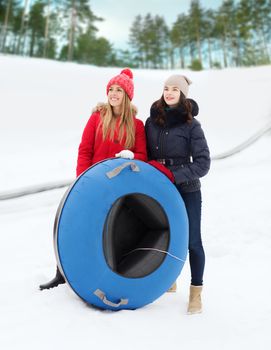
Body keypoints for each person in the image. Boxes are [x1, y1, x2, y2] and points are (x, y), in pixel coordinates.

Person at [39, 68, 147, 290]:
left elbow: (143, 157)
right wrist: (82, 180)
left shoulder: (136, 125)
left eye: (119, 90)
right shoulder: (97, 117)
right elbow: (85, 150)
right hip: (91, 184)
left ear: (127, 95)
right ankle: (61, 272)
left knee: (108, 230)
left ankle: (102, 275)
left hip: (118, 189)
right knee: (71, 225)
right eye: (111, 89)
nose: (113, 93)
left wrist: (131, 155)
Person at [145, 74, 210, 314]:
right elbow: (147, 154)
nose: (169, 92)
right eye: (166, 88)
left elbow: (203, 163)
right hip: (161, 187)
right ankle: (168, 280)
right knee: (166, 235)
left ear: (183, 94)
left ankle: (196, 293)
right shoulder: (151, 122)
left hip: (187, 188)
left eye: (175, 89)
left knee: (192, 241)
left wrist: (175, 175)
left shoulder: (192, 125)